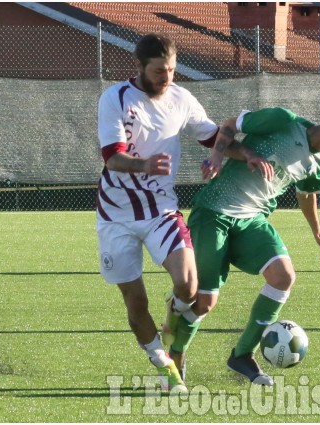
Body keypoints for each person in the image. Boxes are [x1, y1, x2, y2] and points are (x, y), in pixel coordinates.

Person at [170, 101, 320, 385]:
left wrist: (318, 232)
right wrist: (217, 157)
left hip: (252, 221)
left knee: (283, 277)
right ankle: (176, 352)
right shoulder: (283, 121)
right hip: (214, 213)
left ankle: (242, 355)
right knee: (205, 302)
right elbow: (230, 124)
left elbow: (306, 194)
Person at [96, 33, 219, 392]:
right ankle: (163, 365)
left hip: (161, 209)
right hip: (115, 214)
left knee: (188, 284)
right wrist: (145, 164)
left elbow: (212, 137)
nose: (167, 78)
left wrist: (239, 154)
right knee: (136, 302)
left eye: (171, 70)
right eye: (159, 71)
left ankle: (175, 310)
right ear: (140, 67)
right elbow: (113, 157)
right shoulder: (115, 98)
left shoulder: (181, 98)